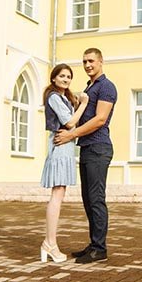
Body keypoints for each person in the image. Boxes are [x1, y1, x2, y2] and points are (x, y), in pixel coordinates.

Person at [54, 48, 116, 264]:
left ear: (101, 61)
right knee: (88, 199)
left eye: (91, 61)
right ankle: (93, 243)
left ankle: (100, 249)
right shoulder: (89, 88)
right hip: (88, 148)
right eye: (84, 62)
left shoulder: (107, 87)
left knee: (97, 199)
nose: (88, 65)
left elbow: (100, 120)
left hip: (99, 148)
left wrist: (71, 135)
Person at [40, 64, 88, 262]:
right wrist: (84, 104)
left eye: (69, 76)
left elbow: (72, 104)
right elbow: (69, 122)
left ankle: (49, 242)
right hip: (60, 149)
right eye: (62, 76)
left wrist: (79, 98)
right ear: (53, 78)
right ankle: (49, 243)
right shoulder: (53, 97)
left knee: (59, 195)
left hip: (65, 148)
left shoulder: (63, 97)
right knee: (57, 196)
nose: (66, 79)